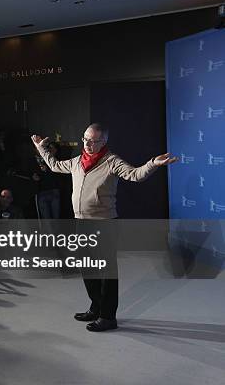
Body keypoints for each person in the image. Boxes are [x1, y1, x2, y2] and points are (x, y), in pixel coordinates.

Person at [31, 123, 177, 332]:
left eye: (94, 141)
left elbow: (135, 174)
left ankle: (108, 317)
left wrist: (153, 163)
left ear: (104, 142)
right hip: (81, 222)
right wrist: (41, 148)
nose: (88, 144)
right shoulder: (76, 162)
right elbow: (54, 165)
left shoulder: (112, 162)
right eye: (86, 139)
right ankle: (96, 307)